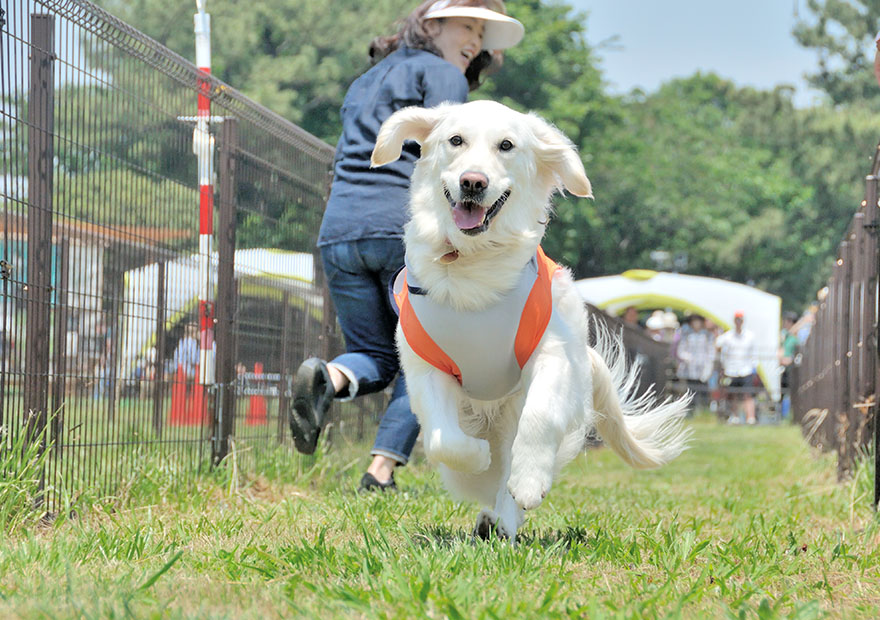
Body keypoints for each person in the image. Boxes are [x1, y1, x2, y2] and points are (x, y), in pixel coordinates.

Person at [289, 0, 524, 492]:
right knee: (432, 353)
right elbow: (452, 156)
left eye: (482, 32)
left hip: (339, 231)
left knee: (373, 354)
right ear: (432, 24)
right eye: (468, 26)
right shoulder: (442, 76)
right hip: (402, 229)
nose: (476, 40)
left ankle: (326, 380)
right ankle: (380, 472)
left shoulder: (365, 80)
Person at [715, 310, 758, 424]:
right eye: (737, 320)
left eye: (740, 320)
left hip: (746, 369)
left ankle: (750, 418)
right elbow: (718, 344)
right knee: (733, 394)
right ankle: (735, 416)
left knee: (748, 394)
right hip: (731, 369)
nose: (738, 322)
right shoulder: (728, 336)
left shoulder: (749, 335)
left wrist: (754, 368)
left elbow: (754, 353)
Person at [673, 314, 715, 410]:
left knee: (703, 391)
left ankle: (704, 410)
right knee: (690, 391)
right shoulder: (686, 334)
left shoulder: (707, 335)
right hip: (689, 369)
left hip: (703, 368)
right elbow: (680, 351)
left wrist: (708, 366)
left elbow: (711, 352)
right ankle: (690, 410)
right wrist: (688, 358)